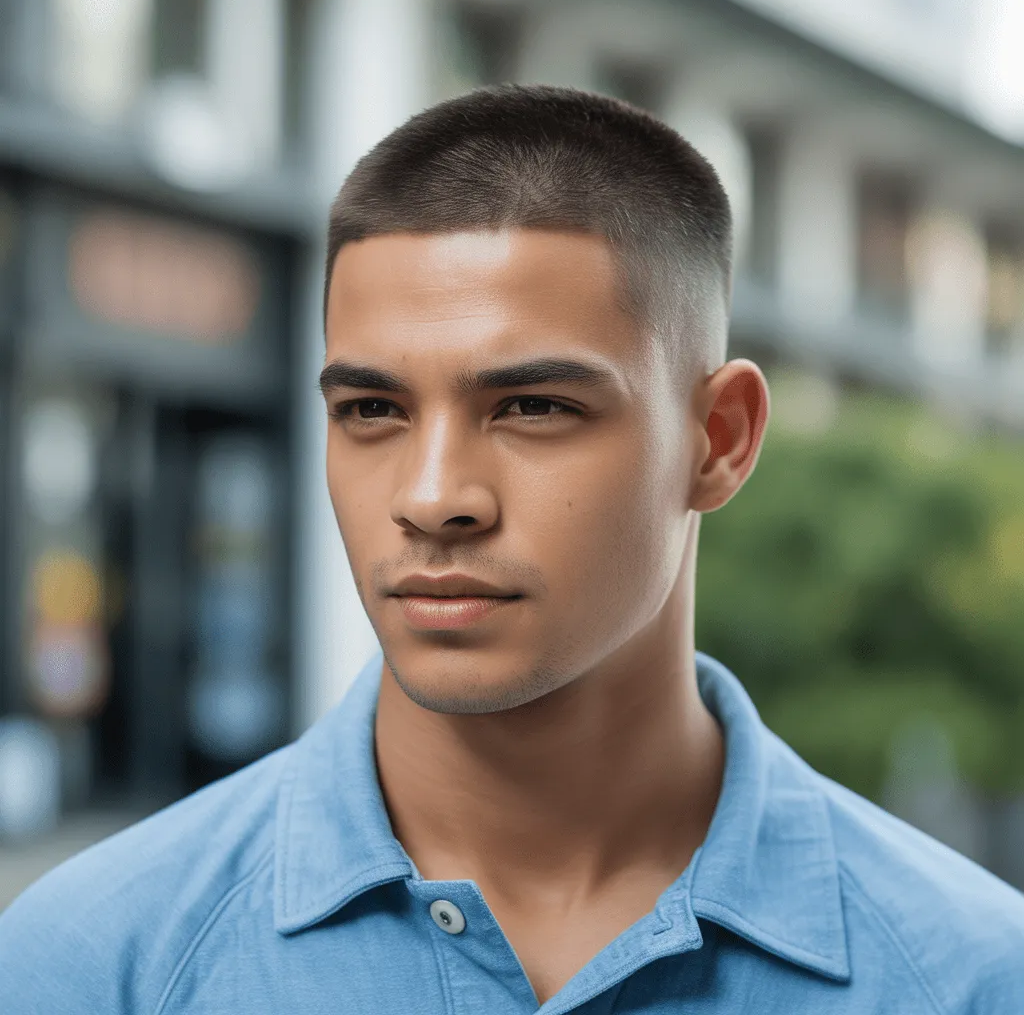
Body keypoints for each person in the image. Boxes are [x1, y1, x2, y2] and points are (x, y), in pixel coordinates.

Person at [2, 84, 1022, 1014]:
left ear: (718, 440)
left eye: (531, 405)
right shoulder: (96, 965)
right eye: (370, 408)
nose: (433, 496)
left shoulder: (970, 977)